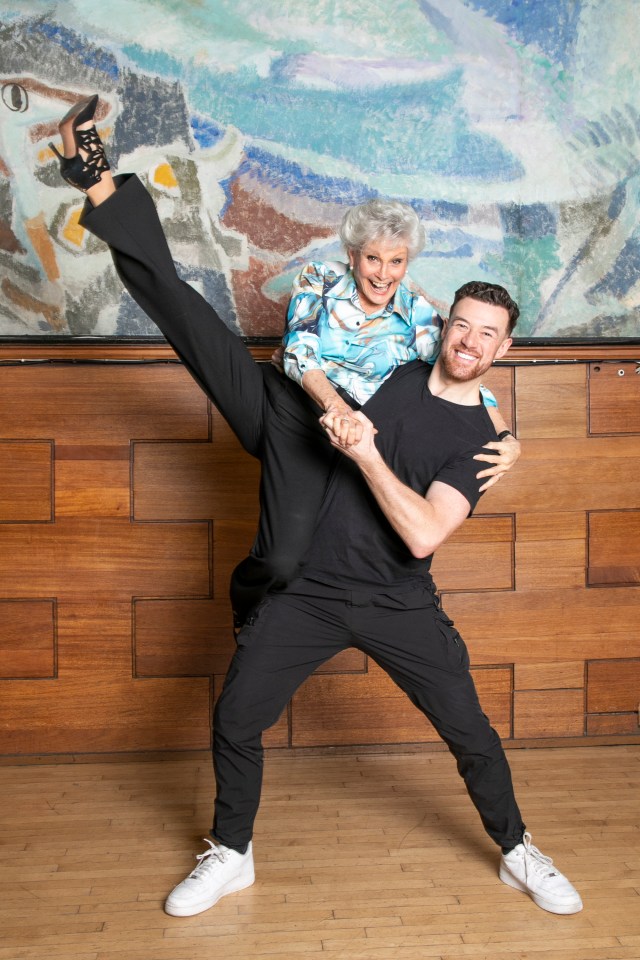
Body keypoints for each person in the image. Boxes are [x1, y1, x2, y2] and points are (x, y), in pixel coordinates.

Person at [51, 96, 582, 920]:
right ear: (353, 252)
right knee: (192, 322)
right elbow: (299, 354)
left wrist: (509, 433)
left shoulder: (426, 325)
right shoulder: (321, 285)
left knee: (435, 697)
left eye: (396, 262)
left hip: (358, 508)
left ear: (410, 265)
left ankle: (518, 848)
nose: (383, 272)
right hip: (297, 414)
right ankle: (99, 184)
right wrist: (339, 412)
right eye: (372, 257)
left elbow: (472, 365)